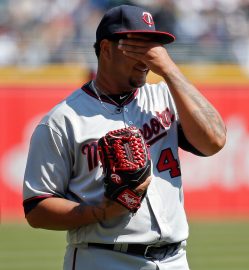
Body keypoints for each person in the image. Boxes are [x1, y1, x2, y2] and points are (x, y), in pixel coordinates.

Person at [23, 4, 226, 270]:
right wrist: (100, 212)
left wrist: (171, 70)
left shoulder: (166, 96)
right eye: (138, 48)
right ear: (106, 49)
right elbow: (37, 208)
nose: (149, 59)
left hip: (175, 259)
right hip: (103, 257)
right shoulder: (63, 120)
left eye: (154, 48)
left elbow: (215, 141)